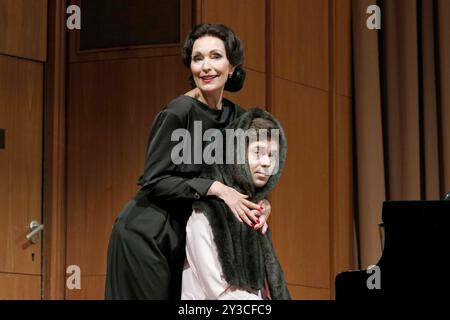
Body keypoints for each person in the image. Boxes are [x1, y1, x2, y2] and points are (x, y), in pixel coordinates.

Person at [105, 24, 272, 300]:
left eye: (215, 56)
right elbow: (155, 181)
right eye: (198, 58)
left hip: (187, 236)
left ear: (232, 67)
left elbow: (245, 182)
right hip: (146, 235)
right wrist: (215, 188)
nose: (206, 66)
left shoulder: (239, 119)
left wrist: (263, 205)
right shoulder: (178, 112)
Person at [181, 108, 291, 300]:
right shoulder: (204, 215)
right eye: (257, 152)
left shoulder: (255, 216)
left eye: (272, 155)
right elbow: (219, 293)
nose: (266, 162)